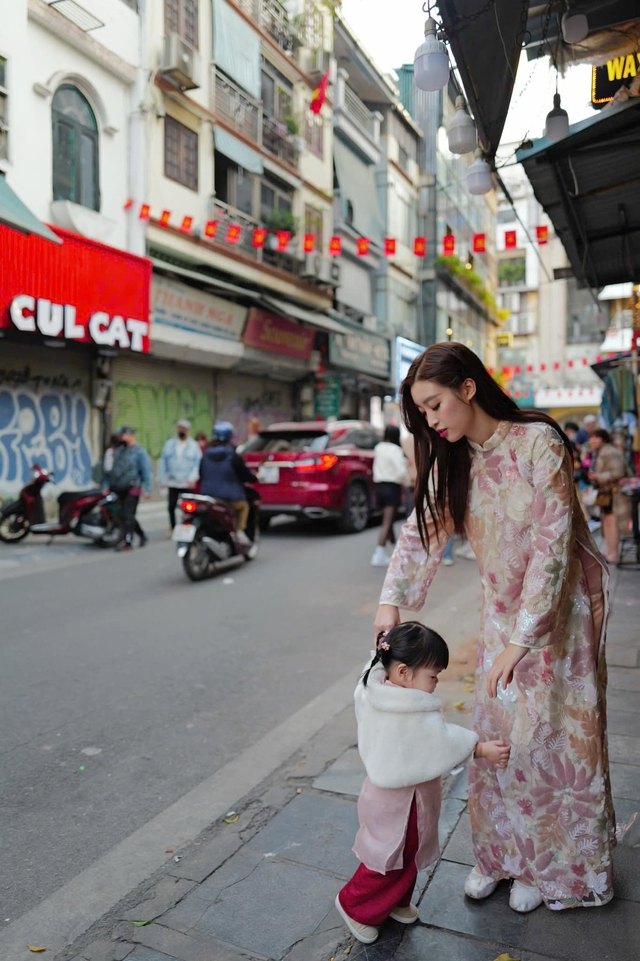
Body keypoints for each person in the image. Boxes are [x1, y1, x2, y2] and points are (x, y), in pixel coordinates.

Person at [374, 342, 614, 913]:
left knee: (551, 741)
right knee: (497, 742)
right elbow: (421, 529)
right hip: (500, 616)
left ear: (468, 387)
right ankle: (500, 858)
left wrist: (523, 640)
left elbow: (553, 547)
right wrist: (391, 604)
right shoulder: (456, 457)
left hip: (558, 619)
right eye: (423, 414)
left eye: (435, 406)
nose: (432, 421)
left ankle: (549, 867)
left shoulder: (538, 442)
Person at [336, 622, 510, 944]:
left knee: (406, 851)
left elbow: (375, 664)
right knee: (389, 857)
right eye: (433, 676)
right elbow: (441, 740)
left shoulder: (375, 688)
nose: (435, 684)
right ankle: (355, 905)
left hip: (392, 796)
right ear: (403, 672)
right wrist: (482, 749)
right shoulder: (409, 710)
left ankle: (393, 901)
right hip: (400, 801)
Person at [199, 421, 258, 546]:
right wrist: (254, 477)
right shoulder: (233, 455)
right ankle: (240, 532)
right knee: (243, 506)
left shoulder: (205, 454)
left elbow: (201, 473)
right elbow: (244, 474)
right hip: (230, 497)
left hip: (208, 497)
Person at [104, 426, 152, 551]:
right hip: (120, 487)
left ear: (129, 435)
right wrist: (107, 485)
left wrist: (147, 489)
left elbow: (146, 471)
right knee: (124, 515)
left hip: (133, 487)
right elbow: (113, 470)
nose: (121, 438)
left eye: (123, 435)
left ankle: (127, 542)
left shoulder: (139, 452)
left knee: (128, 515)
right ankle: (141, 535)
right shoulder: (120, 451)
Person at [588, 428, 631, 563]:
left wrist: (598, 476)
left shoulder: (609, 452)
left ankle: (613, 554)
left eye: (596, 437)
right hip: (607, 493)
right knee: (607, 522)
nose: (593, 440)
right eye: (591, 437)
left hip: (614, 494)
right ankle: (609, 552)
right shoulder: (602, 451)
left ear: (603, 439)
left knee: (612, 523)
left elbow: (618, 472)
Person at [371, 425, 410, 568]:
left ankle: (395, 552)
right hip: (391, 487)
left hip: (379, 487)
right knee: (387, 522)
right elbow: (400, 471)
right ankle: (378, 553)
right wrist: (407, 483)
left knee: (389, 520)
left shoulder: (378, 448)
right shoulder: (396, 450)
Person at [158, 419, 202, 532]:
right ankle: (172, 527)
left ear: (188, 431)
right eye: (180, 428)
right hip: (173, 482)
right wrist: (162, 480)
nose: (181, 431)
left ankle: (189, 526)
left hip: (186, 482)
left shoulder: (194, 446)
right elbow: (163, 463)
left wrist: (192, 478)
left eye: (184, 429)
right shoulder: (169, 444)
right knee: (171, 506)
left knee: (189, 507)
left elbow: (198, 464)